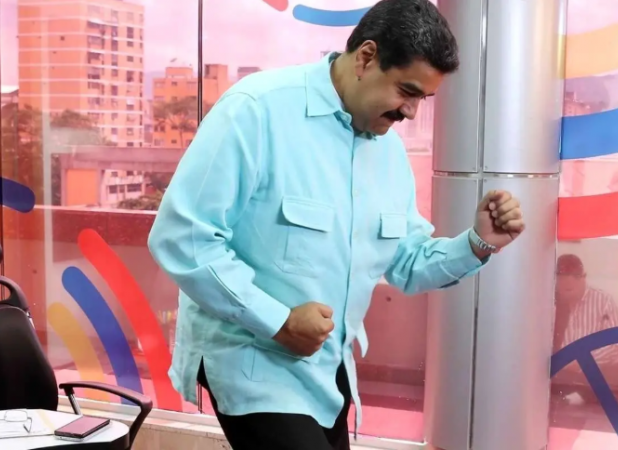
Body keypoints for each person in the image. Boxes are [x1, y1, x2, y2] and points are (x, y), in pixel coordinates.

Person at [148, 0, 525, 448]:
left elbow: (406, 263)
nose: (411, 112)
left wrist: (479, 242)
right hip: (250, 357)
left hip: (329, 367)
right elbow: (183, 238)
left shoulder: (388, 152)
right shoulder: (257, 109)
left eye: (422, 99)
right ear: (366, 57)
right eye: (406, 91)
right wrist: (279, 321)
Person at [552, 253, 618, 406]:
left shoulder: (603, 301)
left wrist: (581, 359)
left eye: (574, 278)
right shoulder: (549, 302)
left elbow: (613, 346)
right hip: (562, 375)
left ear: (584, 277)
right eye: (562, 279)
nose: (568, 283)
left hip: (599, 371)